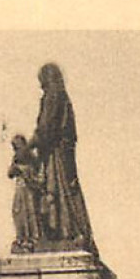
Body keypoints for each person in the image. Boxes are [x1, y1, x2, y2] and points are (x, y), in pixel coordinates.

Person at [30, 63, 93, 250]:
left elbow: (46, 128)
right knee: (60, 192)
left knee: (59, 191)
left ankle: (69, 232)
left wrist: (30, 145)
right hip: (58, 151)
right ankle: (66, 232)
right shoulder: (59, 97)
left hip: (56, 152)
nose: (41, 85)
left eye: (42, 80)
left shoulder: (54, 97)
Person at [7, 135, 44, 252]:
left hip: (30, 192)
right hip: (20, 191)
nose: (17, 150)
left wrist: (25, 173)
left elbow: (39, 178)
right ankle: (22, 239)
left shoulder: (33, 160)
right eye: (15, 148)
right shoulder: (17, 159)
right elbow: (10, 173)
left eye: (18, 147)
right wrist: (15, 166)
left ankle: (32, 240)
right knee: (18, 213)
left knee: (30, 214)